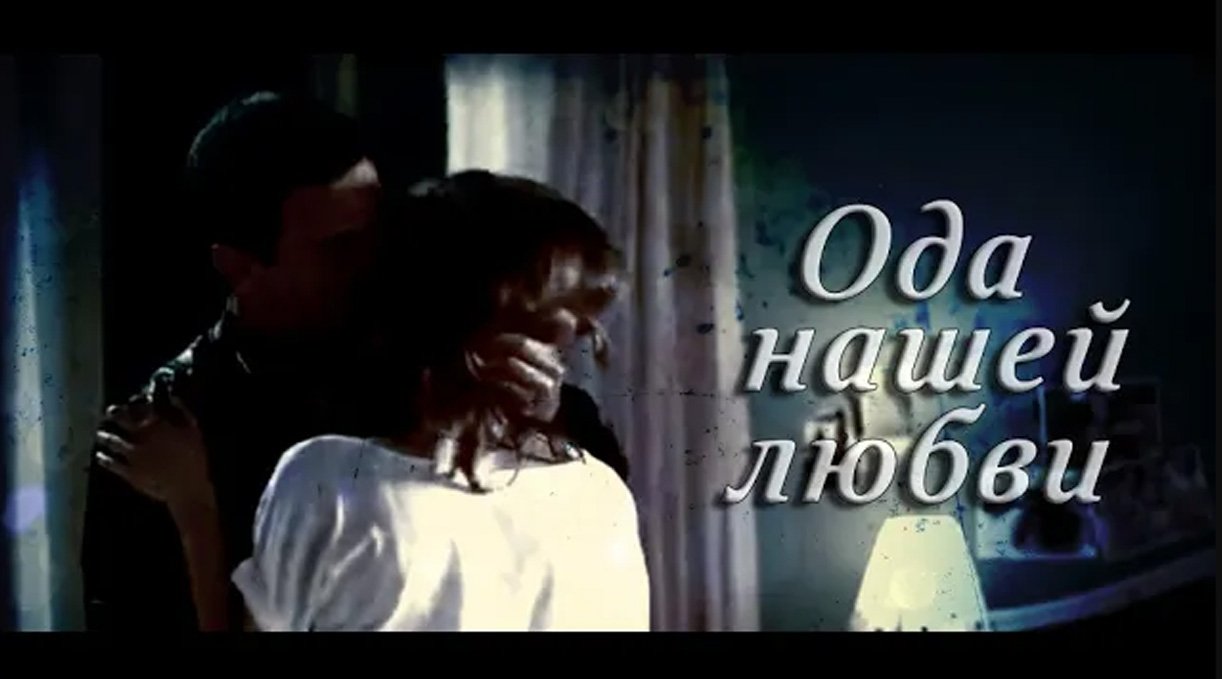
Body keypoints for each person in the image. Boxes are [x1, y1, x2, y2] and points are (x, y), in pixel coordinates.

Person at [84, 93, 628, 631]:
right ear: (238, 265)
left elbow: (589, 527)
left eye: (382, 229)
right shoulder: (168, 426)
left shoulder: (427, 354)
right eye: (340, 247)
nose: (380, 258)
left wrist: (536, 424)